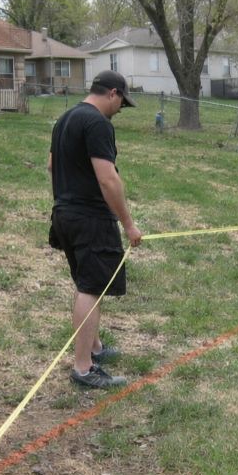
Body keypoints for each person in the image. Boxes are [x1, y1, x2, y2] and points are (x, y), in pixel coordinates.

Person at [47, 70, 143, 389]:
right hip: (89, 217)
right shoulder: (98, 123)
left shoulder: (66, 118)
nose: (120, 110)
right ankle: (84, 368)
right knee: (92, 286)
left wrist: (65, 201)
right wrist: (128, 224)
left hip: (64, 214)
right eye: (122, 103)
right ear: (112, 93)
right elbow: (108, 178)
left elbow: (51, 165)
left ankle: (95, 347)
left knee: (85, 281)